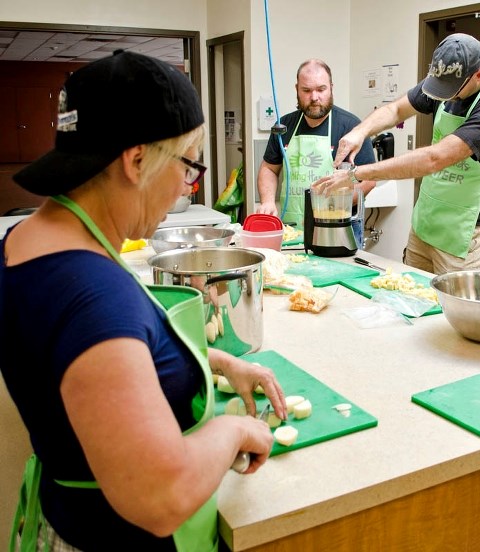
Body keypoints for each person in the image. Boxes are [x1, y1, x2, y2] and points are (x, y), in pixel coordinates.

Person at [1, 50, 287, 551]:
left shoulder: (30, 241)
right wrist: (236, 432)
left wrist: (215, 361)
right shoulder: (91, 292)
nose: (187, 184)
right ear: (135, 161)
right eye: (188, 165)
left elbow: (98, 360)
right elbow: (161, 495)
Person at [313, 33, 480, 275]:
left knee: (454, 308)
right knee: (410, 298)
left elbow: (435, 159)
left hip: (465, 234)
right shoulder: (446, 78)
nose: (441, 96)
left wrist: (356, 175)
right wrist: (360, 132)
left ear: (479, 75)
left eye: (450, 92)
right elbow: (397, 109)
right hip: (427, 222)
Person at [256, 58, 376, 237]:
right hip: (292, 230)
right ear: (296, 89)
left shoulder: (351, 127)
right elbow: (269, 169)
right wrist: (267, 201)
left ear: (331, 88)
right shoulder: (284, 126)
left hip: (338, 232)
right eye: (306, 90)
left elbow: (369, 180)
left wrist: (335, 204)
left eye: (321, 89)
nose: (314, 97)